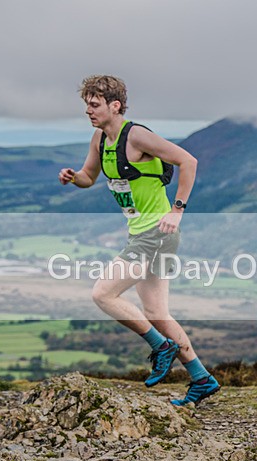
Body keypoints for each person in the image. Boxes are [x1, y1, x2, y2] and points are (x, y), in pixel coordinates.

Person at [58, 75, 219, 407]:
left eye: (94, 104)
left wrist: (178, 210)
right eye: (86, 104)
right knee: (157, 312)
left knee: (103, 293)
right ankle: (202, 377)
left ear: (114, 106)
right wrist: (74, 177)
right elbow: (90, 177)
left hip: (156, 234)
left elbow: (189, 161)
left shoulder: (138, 136)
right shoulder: (101, 139)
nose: (88, 110)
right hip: (141, 232)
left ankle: (161, 346)